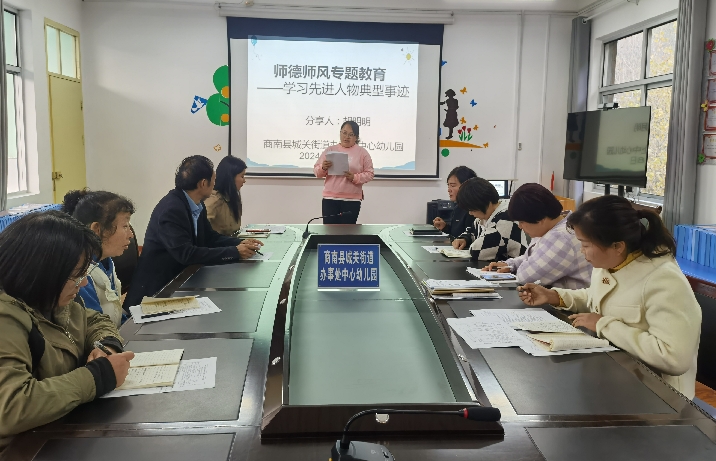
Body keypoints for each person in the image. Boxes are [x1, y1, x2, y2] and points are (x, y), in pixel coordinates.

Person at [518, 195, 702, 399]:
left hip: (657, 395)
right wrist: (553, 296)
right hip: (614, 375)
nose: (582, 251)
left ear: (617, 246)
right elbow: (597, 298)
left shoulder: (663, 280)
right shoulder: (611, 263)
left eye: (585, 245)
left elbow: (673, 357)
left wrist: (603, 325)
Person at [0, 211, 134, 450]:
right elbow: (11, 407)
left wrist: (106, 346)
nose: (83, 283)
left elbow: (94, 321)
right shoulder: (6, 318)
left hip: (60, 431)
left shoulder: (53, 299)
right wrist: (98, 376)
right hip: (23, 449)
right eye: (75, 275)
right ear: (40, 272)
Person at [124, 155, 263, 308]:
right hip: (158, 292)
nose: (215, 184)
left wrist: (240, 243)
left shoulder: (196, 204)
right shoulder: (172, 209)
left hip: (182, 281)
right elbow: (186, 254)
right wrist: (235, 252)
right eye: (213, 179)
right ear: (203, 183)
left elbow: (210, 238)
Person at [484, 183, 592, 289]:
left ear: (541, 219)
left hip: (569, 300)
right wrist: (510, 265)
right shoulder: (553, 226)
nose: (520, 226)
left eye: (522, 222)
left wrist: (517, 267)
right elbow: (533, 258)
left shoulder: (562, 237)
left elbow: (525, 277)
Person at [62, 189, 136, 327]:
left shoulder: (105, 261)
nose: (130, 234)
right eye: (125, 226)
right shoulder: (81, 276)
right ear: (97, 229)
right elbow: (95, 327)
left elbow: (115, 313)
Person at [452, 177, 528, 261]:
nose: (470, 213)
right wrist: (464, 239)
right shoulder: (486, 215)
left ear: (484, 203)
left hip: (514, 268)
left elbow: (477, 252)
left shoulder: (506, 218)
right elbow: (472, 231)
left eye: (472, 209)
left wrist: (472, 243)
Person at [313, 121, 374, 224]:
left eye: (351, 134)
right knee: (329, 231)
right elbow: (316, 172)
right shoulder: (330, 150)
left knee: (347, 232)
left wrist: (354, 177)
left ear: (356, 137)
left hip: (352, 200)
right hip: (330, 198)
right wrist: (323, 167)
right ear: (340, 133)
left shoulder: (362, 152)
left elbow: (370, 174)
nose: (346, 137)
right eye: (344, 133)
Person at [205, 156, 246, 236]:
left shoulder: (232, 198)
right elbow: (201, 230)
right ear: (230, 177)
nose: (244, 180)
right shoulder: (214, 200)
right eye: (242, 176)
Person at [432, 166, 477, 240]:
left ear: (467, 186)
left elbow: (470, 238)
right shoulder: (458, 207)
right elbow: (455, 235)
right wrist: (445, 227)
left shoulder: (475, 210)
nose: (449, 190)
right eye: (448, 186)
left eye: (452, 186)